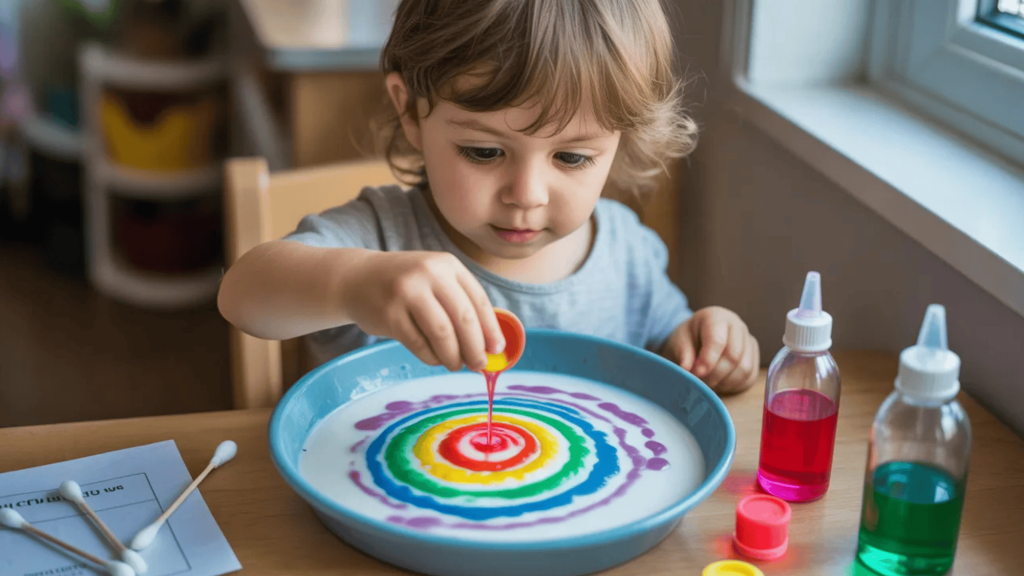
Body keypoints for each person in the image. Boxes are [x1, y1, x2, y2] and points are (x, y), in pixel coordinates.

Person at [218, 0, 760, 394]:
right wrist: (356, 283)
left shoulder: (629, 255)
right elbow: (243, 294)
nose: (526, 196)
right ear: (409, 111)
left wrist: (712, 344)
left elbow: (675, 353)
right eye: (483, 152)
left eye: (571, 158)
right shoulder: (382, 239)